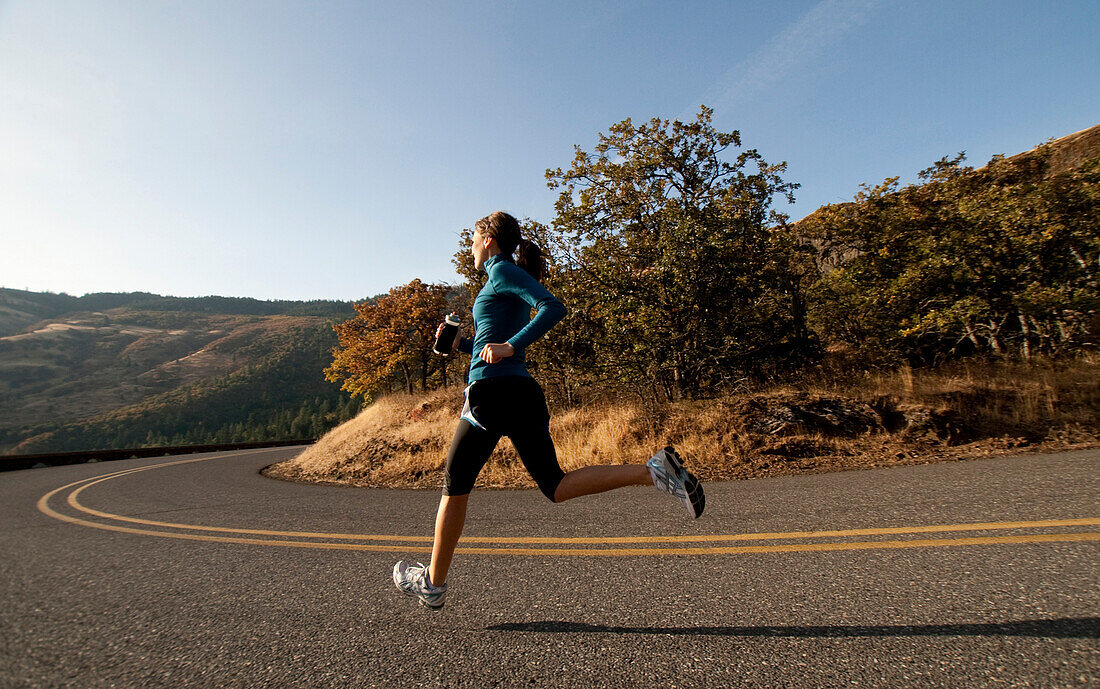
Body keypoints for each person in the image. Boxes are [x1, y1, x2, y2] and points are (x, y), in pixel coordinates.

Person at [393, 211, 704, 609]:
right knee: (555, 485)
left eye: (473, 238)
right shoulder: (501, 279)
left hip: (492, 394)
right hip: (519, 393)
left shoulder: (501, 271)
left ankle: (432, 585)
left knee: (454, 486)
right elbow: (494, 340)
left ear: (489, 239)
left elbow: (553, 308)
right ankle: (655, 471)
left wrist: (508, 347)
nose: (470, 246)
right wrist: (460, 345)